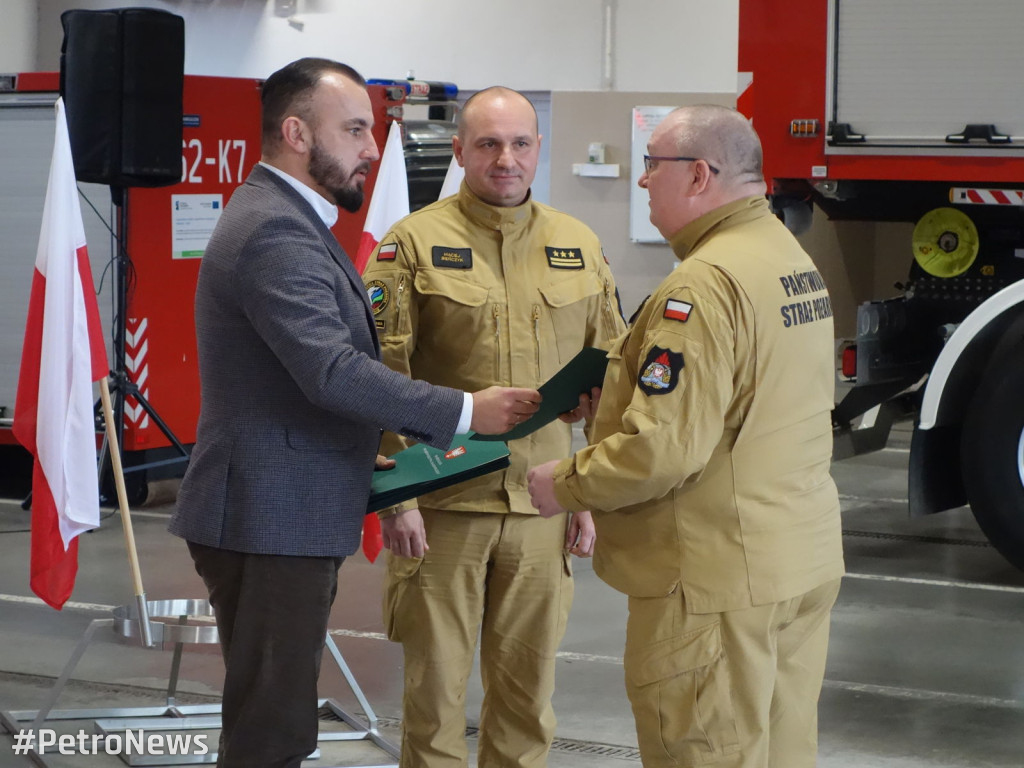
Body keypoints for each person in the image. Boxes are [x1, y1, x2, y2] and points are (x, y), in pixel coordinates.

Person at [168, 59, 540, 768]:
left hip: (283, 509)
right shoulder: (274, 232)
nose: (374, 146)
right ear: (296, 133)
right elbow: (330, 372)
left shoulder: (286, 218)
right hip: (267, 516)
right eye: (356, 128)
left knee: (273, 718)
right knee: (272, 730)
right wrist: (465, 410)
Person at [527, 104, 845, 768]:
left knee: (702, 751)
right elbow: (745, 405)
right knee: (779, 752)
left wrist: (563, 483)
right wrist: (610, 401)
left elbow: (661, 450)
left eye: (652, 165)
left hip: (714, 582)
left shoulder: (703, 284)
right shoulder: (787, 259)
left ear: (699, 175)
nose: (642, 182)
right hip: (794, 559)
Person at [362, 86, 625, 768]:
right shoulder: (412, 244)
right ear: (459, 152)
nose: (504, 159)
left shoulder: (578, 243)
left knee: (528, 700)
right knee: (434, 700)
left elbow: (609, 378)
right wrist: (398, 498)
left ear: (539, 150)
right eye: (487, 144)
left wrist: (586, 491)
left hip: (541, 502)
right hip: (443, 506)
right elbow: (378, 373)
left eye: (519, 143)